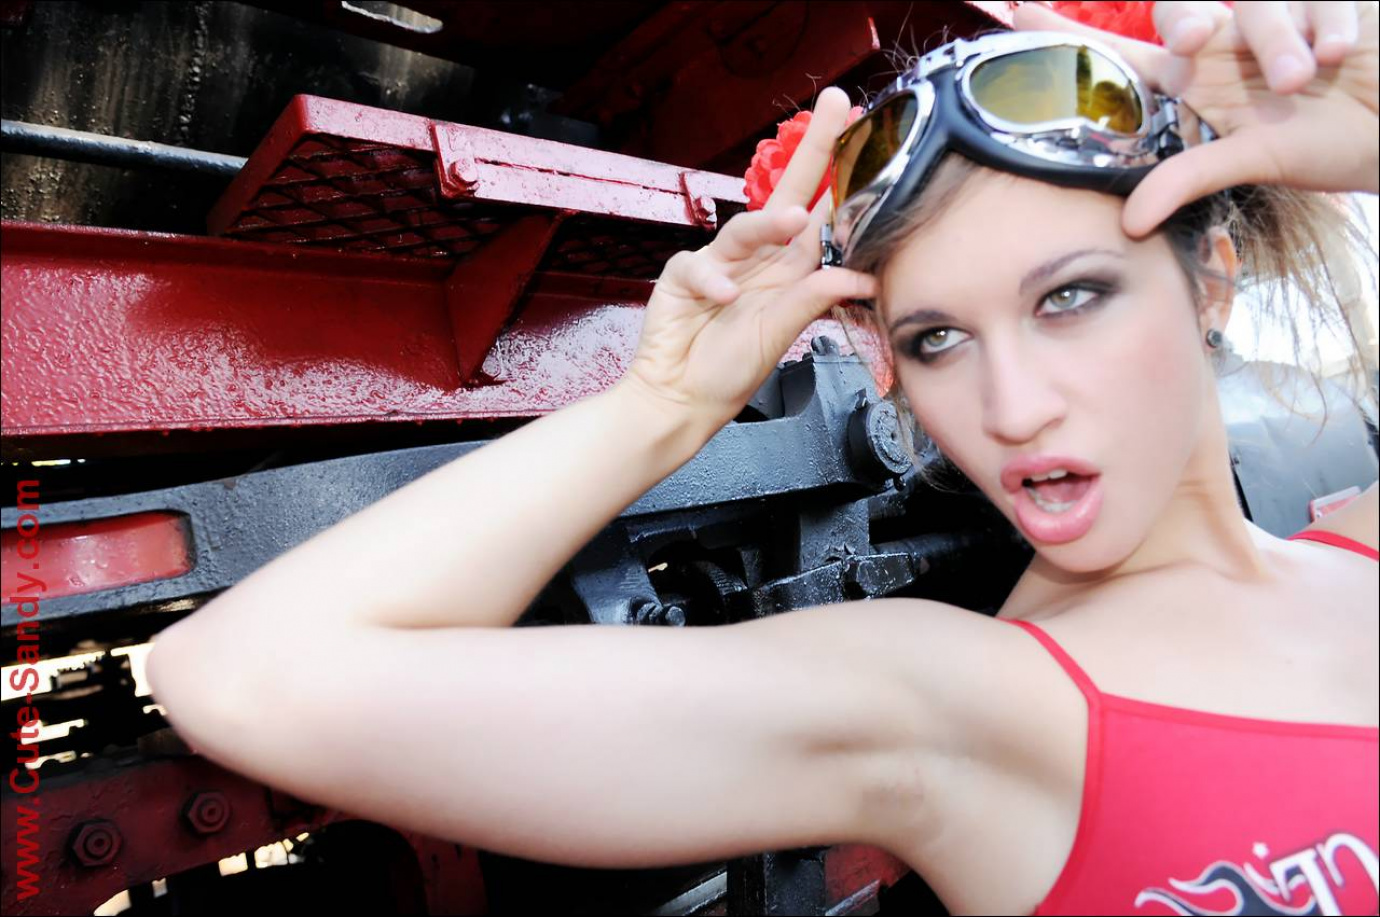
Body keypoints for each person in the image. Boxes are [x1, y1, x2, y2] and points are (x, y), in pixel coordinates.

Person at [144, 2, 1379, 914]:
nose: (1011, 408)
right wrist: (661, 405)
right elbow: (243, 675)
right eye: (936, 338)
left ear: (1212, 281)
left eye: (1070, 298)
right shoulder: (958, 707)